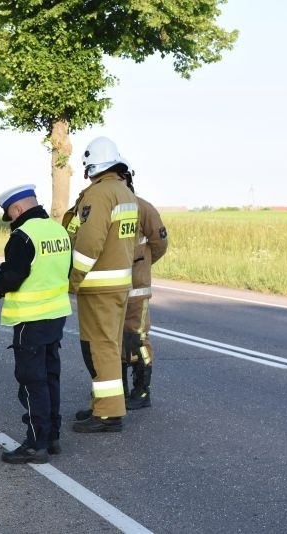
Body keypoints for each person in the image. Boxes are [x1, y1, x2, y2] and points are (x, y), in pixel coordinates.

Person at [0, 184, 72, 463]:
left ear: (18, 209)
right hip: (56, 315)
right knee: (50, 377)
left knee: (32, 383)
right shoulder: (59, 231)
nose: (12, 220)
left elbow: (12, 279)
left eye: (11, 214)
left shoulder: (22, 237)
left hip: (30, 319)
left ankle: (36, 444)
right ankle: (52, 437)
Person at [62, 136, 138, 433]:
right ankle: (103, 405)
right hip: (118, 283)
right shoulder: (124, 192)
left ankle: (108, 413)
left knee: (99, 348)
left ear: (90, 165)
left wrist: (73, 279)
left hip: (98, 285)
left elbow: (89, 242)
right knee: (109, 345)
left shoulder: (99, 194)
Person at [118, 161, 168, 410]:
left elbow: (159, 243)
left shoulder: (143, 208)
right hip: (110, 290)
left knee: (136, 339)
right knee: (113, 341)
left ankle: (141, 390)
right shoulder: (105, 207)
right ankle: (118, 392)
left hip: (135, 289)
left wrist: (142, 265)